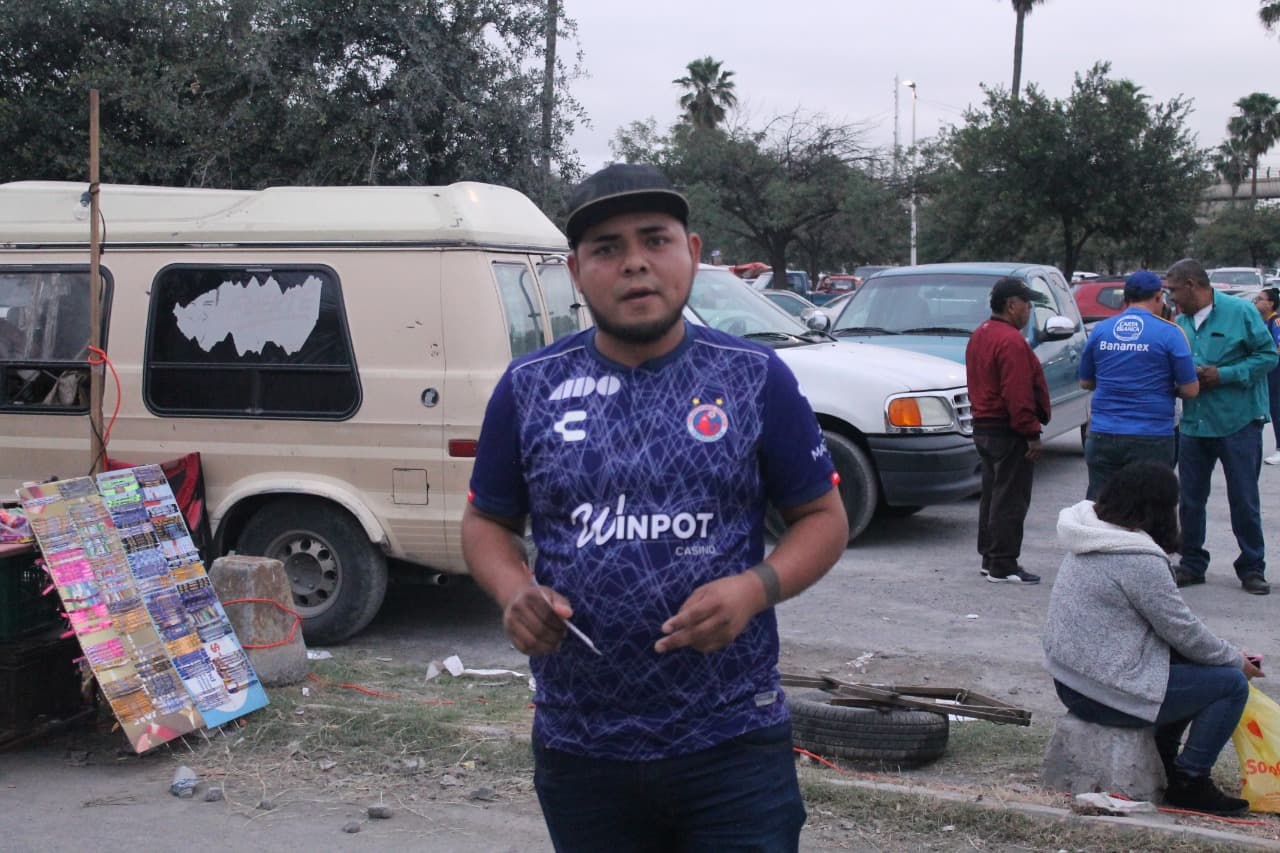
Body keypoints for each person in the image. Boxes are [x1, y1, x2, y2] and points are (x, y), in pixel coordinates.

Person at [460, 163, 849, 851]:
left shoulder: (756, 378)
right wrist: (516, 590)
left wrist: (754, 588)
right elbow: (485, 522)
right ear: (576, 271)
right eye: (607, 248)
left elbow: (824, 519)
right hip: (581, 744)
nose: (635, 263)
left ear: (692, 253)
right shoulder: (528, 388)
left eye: (655, 240)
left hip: (732, 739)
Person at [1044, 461, 1262, 816]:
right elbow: (1184, 632)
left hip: (1071, 679)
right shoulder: (1137, 559)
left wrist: (1225, 652)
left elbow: (1176, 631)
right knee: (1230, 684)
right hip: (1103, 693)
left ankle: (1164, 755)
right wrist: (1236, 660)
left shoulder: (1091, 532)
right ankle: (1190, 780)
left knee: (1193, 664)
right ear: (1159, 509)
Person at [1164, 258, 1277, 595]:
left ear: (1192, 285)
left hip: (1238, 422)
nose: (1171, 299)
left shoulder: (1240, 312)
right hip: (1195, 424)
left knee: (1243, 498)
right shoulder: (1179, 321)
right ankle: (1192, 563)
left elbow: (1268, 356)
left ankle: (1252, 567)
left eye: (1173, 291)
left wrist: (1223, 375)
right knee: (1191, 499)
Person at [1078, 270, 1199, 499]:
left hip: (1103, 433)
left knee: (1102, 507)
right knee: (1150, 509)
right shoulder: (1171, 333)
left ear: (1125, 299)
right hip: (1151, 436)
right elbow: (1190, 390)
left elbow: (1085, 382)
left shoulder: (1100, 331)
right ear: (1157, 297)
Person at [965, 277, 1050, 584]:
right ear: (1012, 305)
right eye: (1027, 305)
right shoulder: (1011, 341)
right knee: (1010, 498)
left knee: (992, 494)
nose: (1029, 311)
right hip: (1007, 429)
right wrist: (1031, 434)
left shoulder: (981, 334)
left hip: (984, 426)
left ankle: (990, 558)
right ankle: (1003, 564)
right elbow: (1017, 394)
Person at [1252, 287, 1280, 465]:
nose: (1256, 301)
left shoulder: (1275, 321)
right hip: (1268, 373)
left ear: (1270, 303)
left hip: (1276, 371)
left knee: (1277, 408)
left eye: (1260, 299)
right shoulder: (1262, 321)